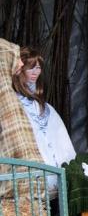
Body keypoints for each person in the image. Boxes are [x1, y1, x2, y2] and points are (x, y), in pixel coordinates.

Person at [12, 48, 76, 195]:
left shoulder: (45, 108)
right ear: (20, 70)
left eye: (38, 67)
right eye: (31, 68)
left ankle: (64, 178)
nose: (36, 72)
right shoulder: (13, 105)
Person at [0, 39, 43, 165]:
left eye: (39, 68)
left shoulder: (36, 104)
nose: (20, 64)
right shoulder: (8, 100)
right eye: (15, 57)